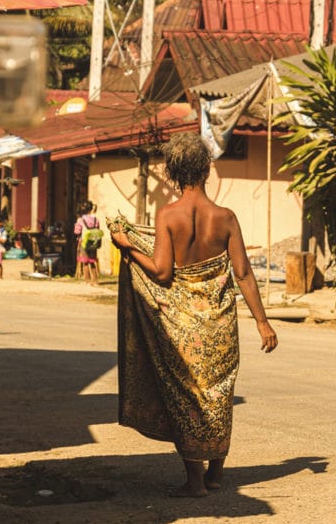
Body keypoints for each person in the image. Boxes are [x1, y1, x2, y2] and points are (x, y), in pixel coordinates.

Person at [110, 132, 277, 498]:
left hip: (183, 327)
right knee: (219, 395)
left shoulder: (168, 215)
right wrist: (263, 322)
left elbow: (162, 271)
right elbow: (244, 274)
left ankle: (196, 482)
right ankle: (216, 474)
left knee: (188, 397)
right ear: (206, 169)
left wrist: (127, 247)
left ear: (172, 172)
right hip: (220, 324)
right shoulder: (226, 217)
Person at [74, 201, 101, 286]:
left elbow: (77, 231)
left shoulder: (80, 220)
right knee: (92, 261)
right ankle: (95, 281)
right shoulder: (96, 219)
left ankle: (87, 281)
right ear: (91, 209)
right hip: (93, 242)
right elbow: (98, 229)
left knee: (85, 262)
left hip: (84, 242)